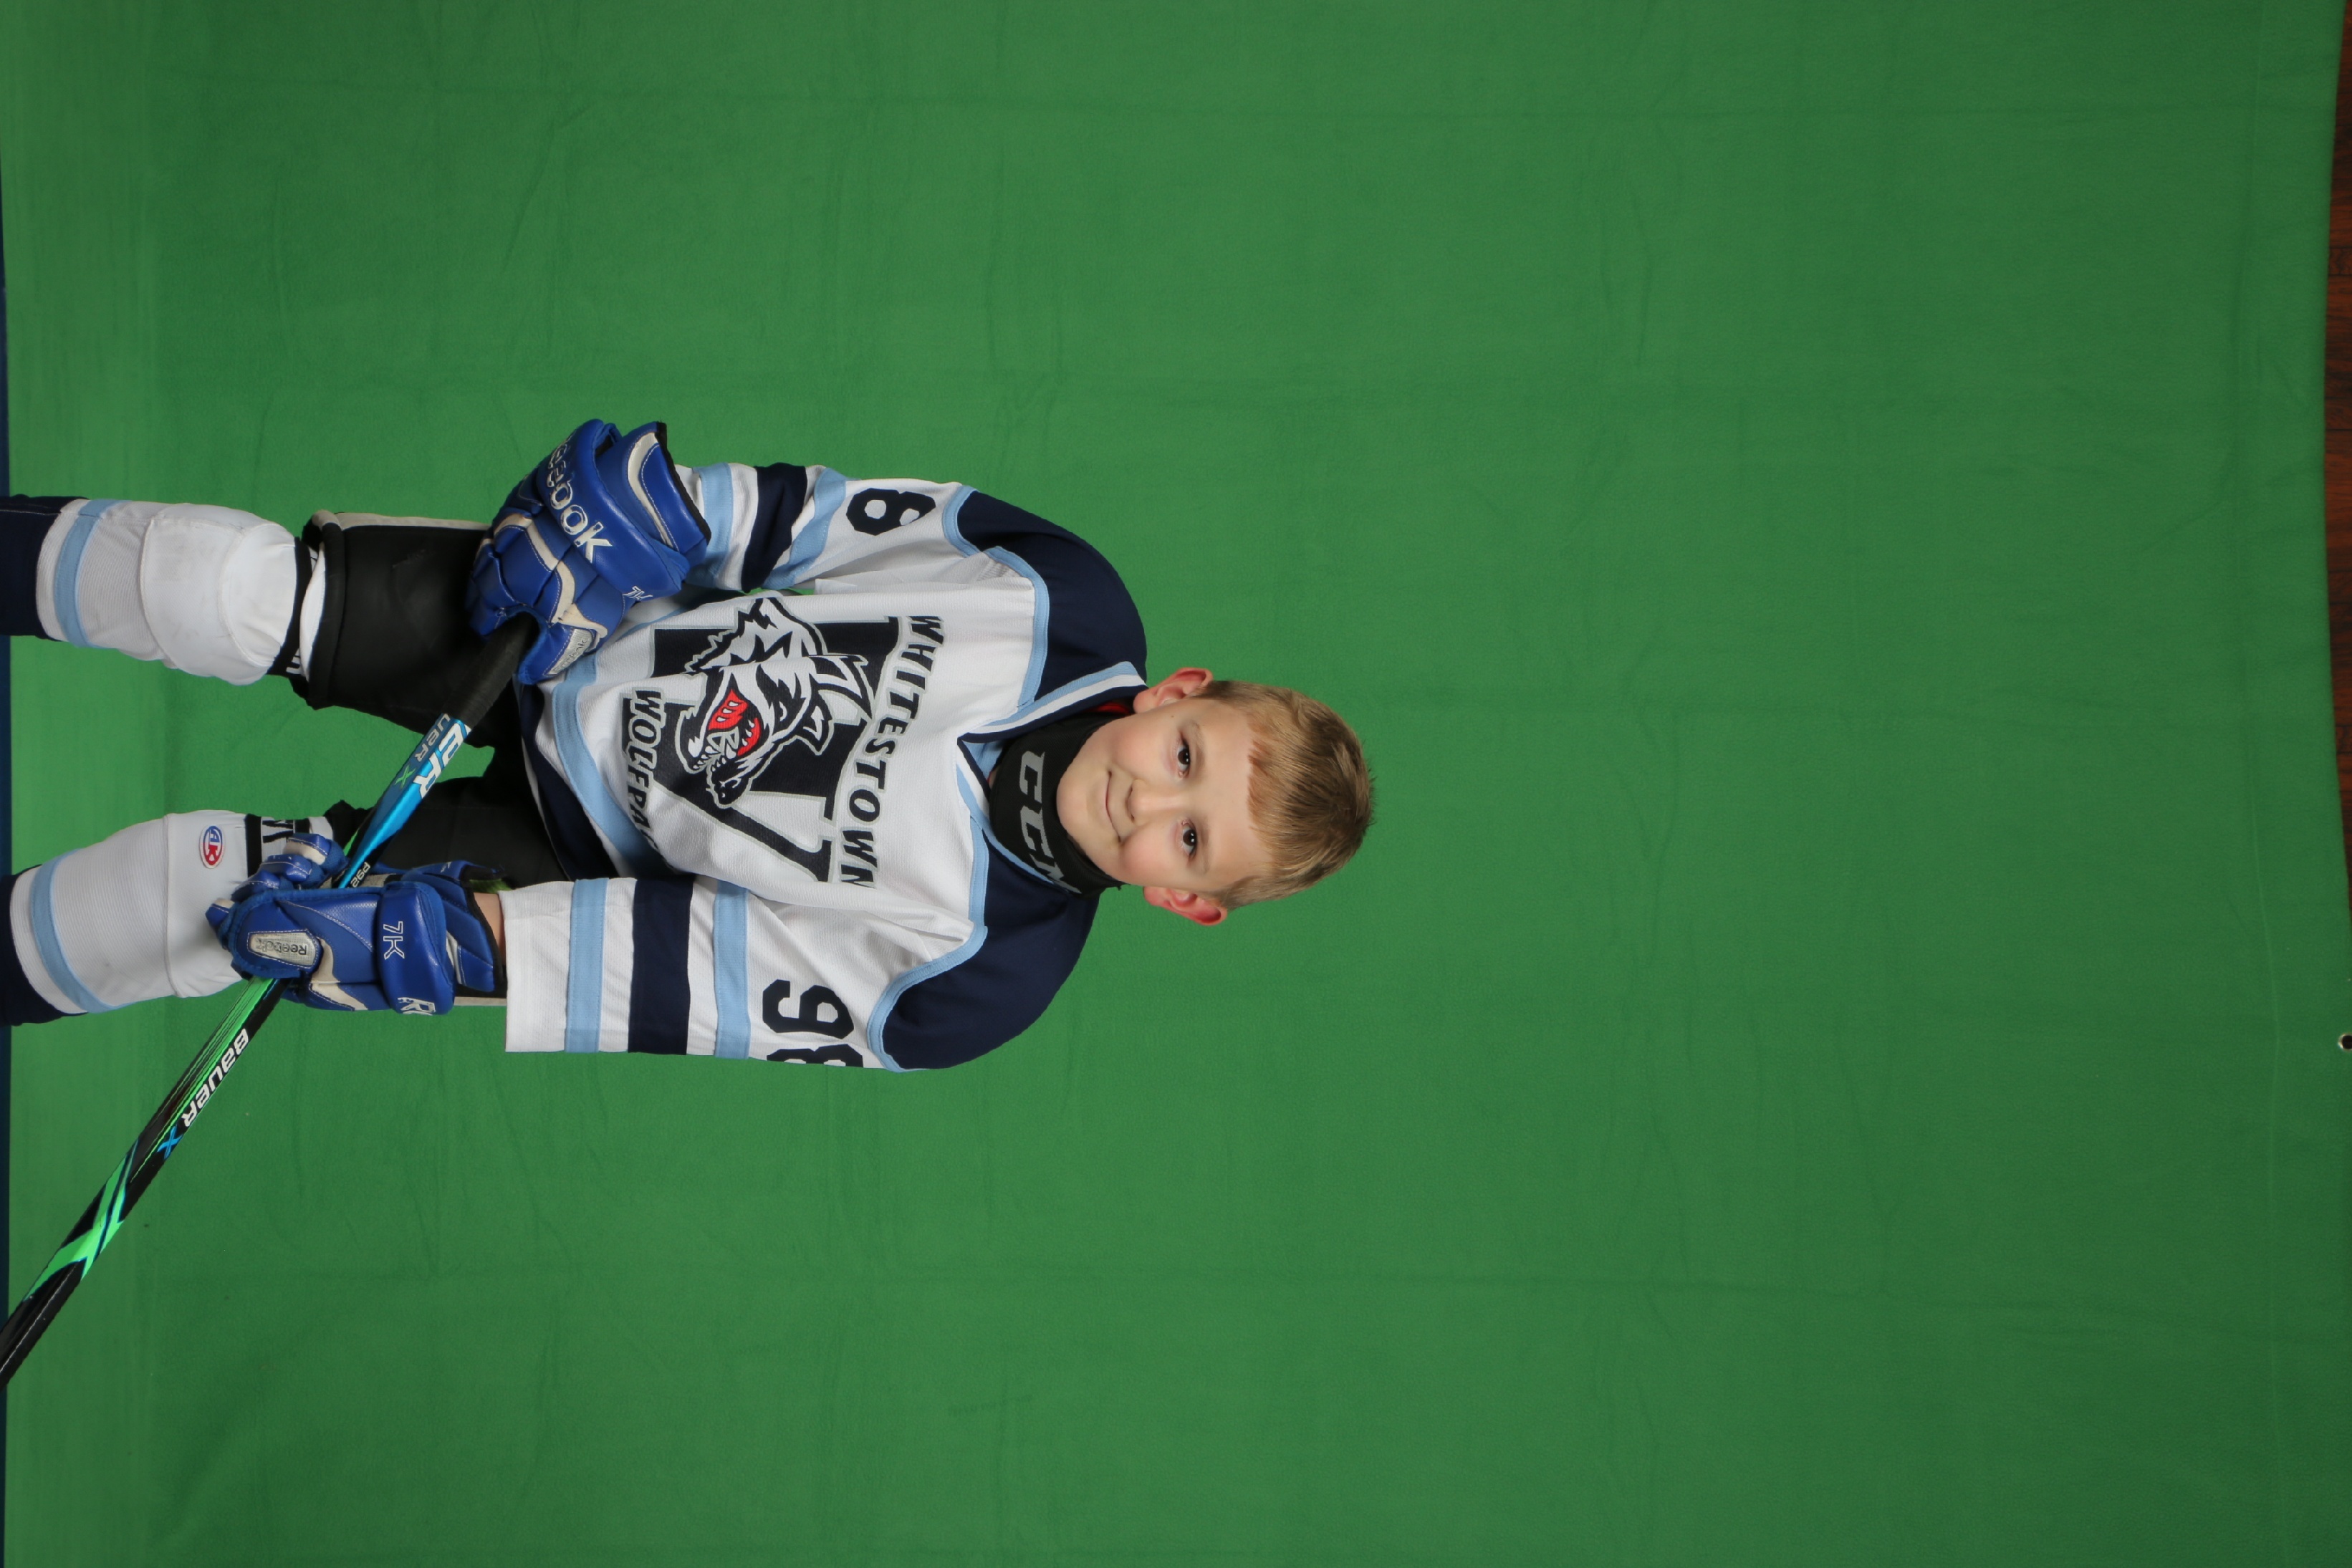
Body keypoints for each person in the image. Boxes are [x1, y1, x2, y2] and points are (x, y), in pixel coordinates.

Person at [0, 421, 1373, 1069]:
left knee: (215, 903)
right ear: (1177, 690)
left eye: (1189, 840)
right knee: (221, 585)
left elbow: (703, 973)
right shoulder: (1061, 597)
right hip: (571, 628)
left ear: (1185, 900)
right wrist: (652, 514)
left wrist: (465, 945)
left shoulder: (979, 982)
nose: (1147, 800)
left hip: (564, 859)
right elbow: (817, 523)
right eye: (1186, 754)